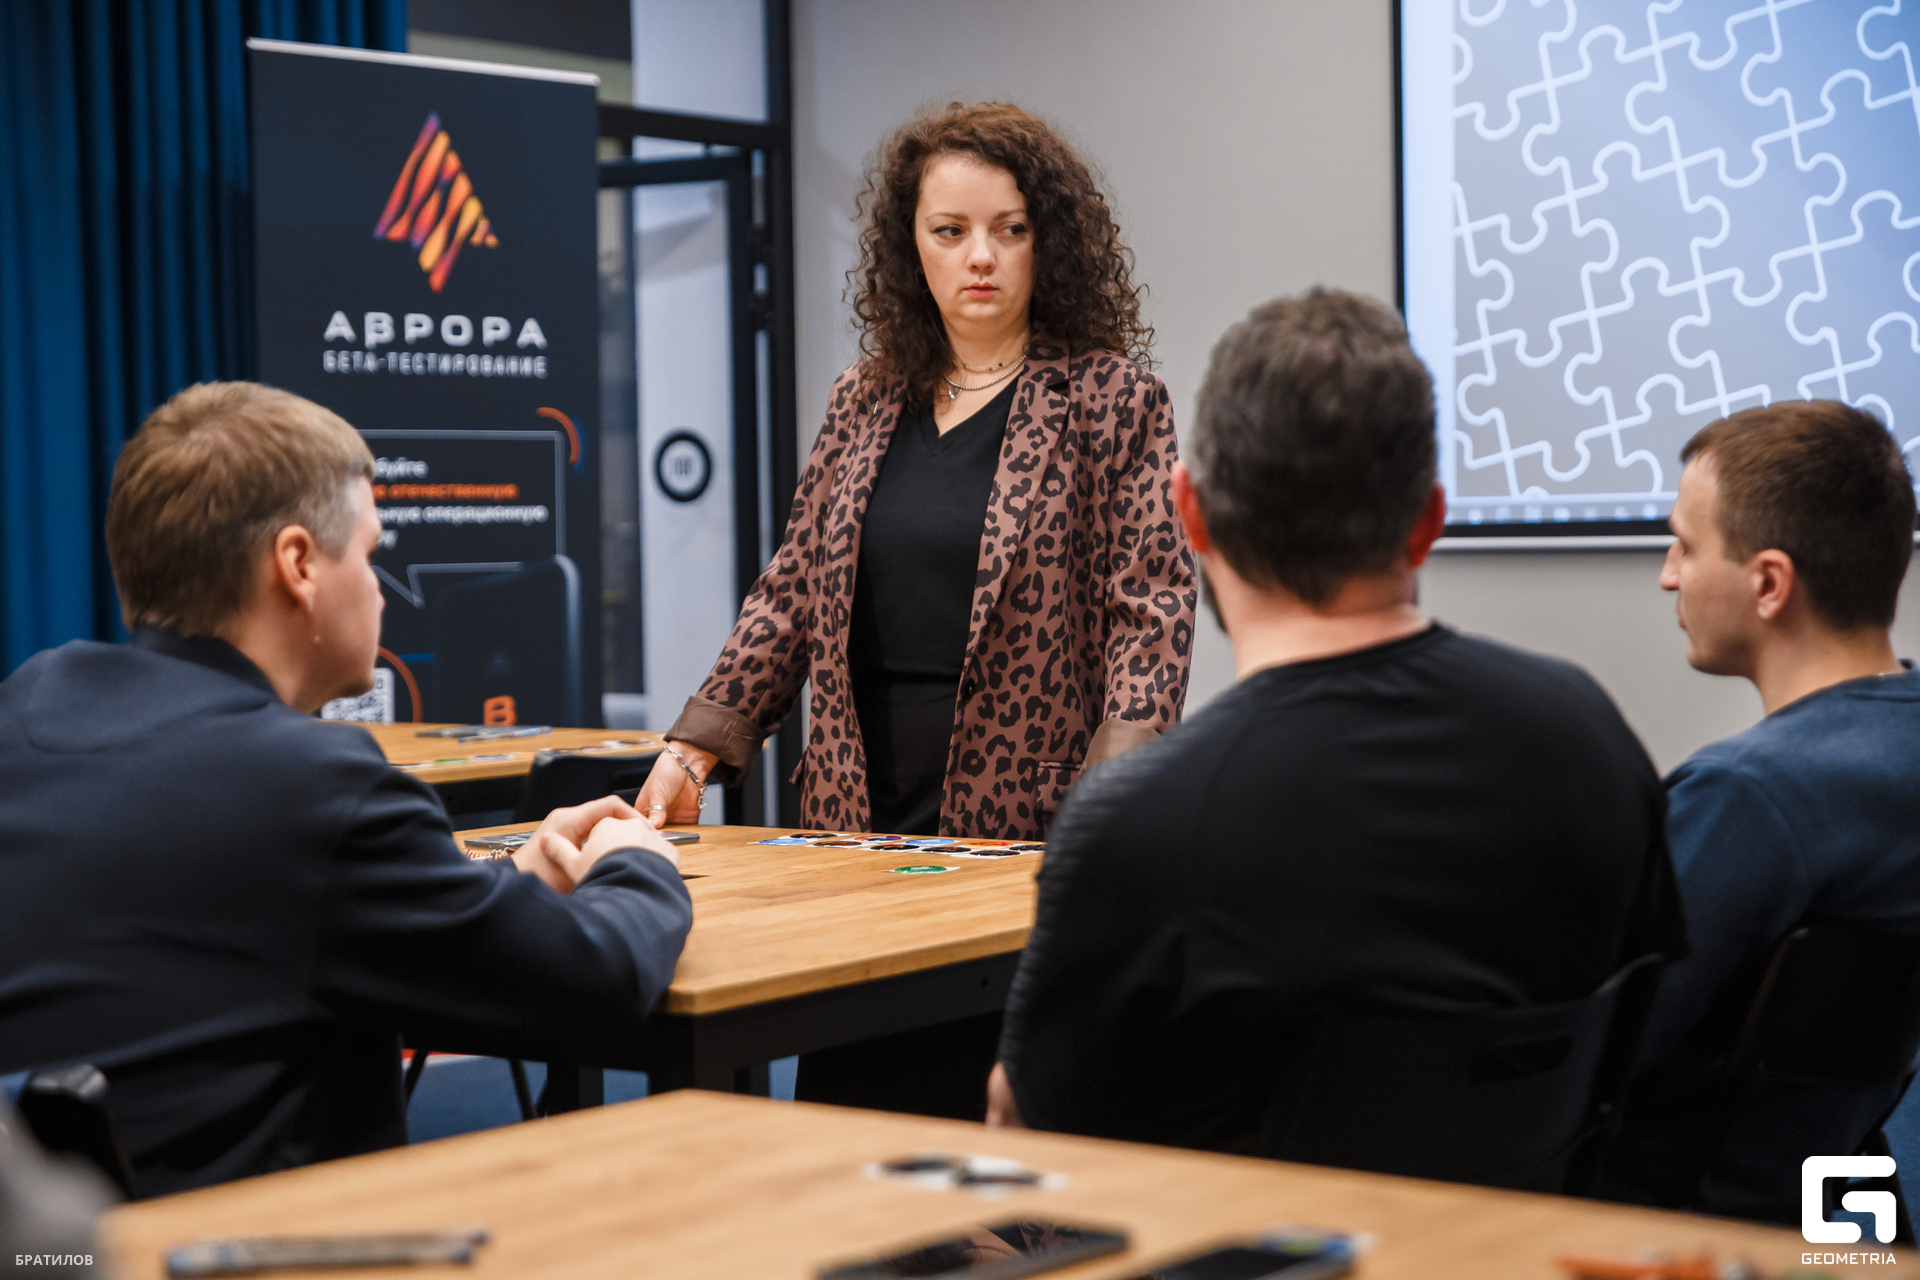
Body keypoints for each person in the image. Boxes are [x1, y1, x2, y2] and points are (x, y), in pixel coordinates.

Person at [987, 288, 1687, 1154]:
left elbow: (1031, 1127)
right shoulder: (1591, 737)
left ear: (1191, 513)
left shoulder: (1136, 821)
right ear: (1428, 522)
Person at [637, 101, 1197, 1122]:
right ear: (913, 247)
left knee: (1004, 1138)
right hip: (858, 826)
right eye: (951, 230)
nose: (980, 256)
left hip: (1027, 833)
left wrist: (1115, 798)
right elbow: (791, 591)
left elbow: (1151, 608)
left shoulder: (1113, 399)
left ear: (1047, 241)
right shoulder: (862, 398)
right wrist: (695, 748)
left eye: (1009, 229)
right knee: (855, 1121)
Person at [0, 382, 693, 1195]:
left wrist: (500, 884)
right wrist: (637, 863)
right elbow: (595, 982)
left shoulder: (29, 705)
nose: (379, 588)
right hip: (236, 1238)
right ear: (297, 565)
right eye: (368, 554)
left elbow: (238, 917)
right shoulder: (316, 786)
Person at [1595, 400, 1920, 1222]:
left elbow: (1604, 1048)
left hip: (1678, 1229)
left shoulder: (1746, 797)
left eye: (1685, 545)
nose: (1669, 574)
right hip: (1840, 1215)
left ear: (1769, 584)